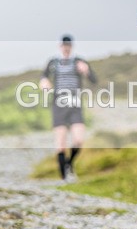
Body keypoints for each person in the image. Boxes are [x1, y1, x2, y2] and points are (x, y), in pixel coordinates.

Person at [39, 35, 97, 183]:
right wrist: (44, 82)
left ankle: (69, 164)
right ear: (60, 46)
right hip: (59, 103)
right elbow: (43, 77)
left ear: (71, 47)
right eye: (64, 46)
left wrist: (86, 71)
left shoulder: (79, 61)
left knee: (78, 139)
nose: (66, 48)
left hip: (75, 103)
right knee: (61, 141)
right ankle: (64, 177)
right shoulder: (53, 62)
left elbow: (94, 80)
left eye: (68, 46)